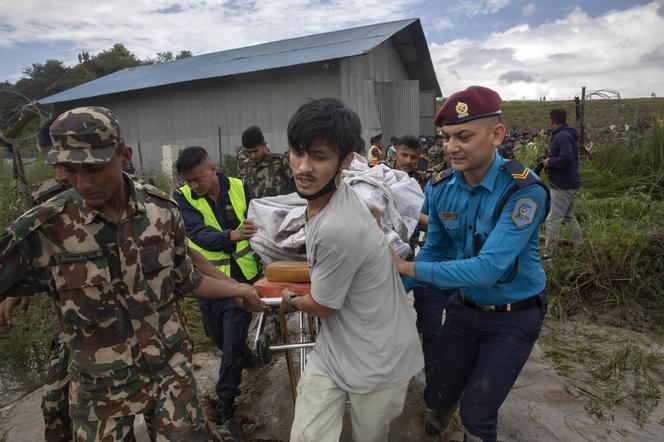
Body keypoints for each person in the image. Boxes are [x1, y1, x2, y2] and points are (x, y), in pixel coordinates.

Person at [0, 106, 263, 442]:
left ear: (123, 156)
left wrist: (239, 291)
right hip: (101, 389)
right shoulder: (45, 227)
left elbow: (185, 278)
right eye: (69, 170)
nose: (83, 183)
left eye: (94, 169)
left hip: (169, 372)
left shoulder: (161, 212)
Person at [391, 86, 550, 442]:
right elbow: (435, 248)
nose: (451, 147)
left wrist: (408, 269)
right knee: (437, 398)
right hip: (464, 309)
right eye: (446, 138)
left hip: (514, 316)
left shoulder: (524, 191)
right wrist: (390, 290)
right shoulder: (441, 186)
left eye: (463, 136)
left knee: (478, 413)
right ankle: (438, 423)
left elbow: (488, 268)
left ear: (496, 135)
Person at [281, 98, 423, 442]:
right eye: (297, 153)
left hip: (379, 359)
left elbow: (323, 305)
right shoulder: (330, 200)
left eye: (318, 157)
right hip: (336, 346)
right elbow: (370, 219)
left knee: (369, 437)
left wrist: (291, 300)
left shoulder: (335, 226)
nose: (302, 167)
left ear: (345, 161)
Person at [172, 146, 261, 426]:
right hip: (209, 281)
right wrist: (232, 234)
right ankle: (251, 360)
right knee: (216, 336)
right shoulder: (182, 198)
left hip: (242, 277)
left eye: (197, 179)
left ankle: (226, 404)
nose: (193, 185)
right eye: (188, 180)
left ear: (212, 168)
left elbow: (260, 222)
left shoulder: (240, 187)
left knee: (232, 340)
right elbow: (198, 235)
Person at [542, 109, 583, 258]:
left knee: (552, 220)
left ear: (552, 121)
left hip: (562, 185)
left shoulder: (562, 136)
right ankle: (579, 246)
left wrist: (549, 162)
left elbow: (566, 158)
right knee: (568, 217)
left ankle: (549, 255)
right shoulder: (567, 134)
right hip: (569, 182)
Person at [236, 125, 295, 197]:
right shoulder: (244, 167)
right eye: (249, 152)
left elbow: (296, 182)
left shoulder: (279, 162)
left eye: (256, 151)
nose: (253, 155)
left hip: (280, 206)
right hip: (254, 207)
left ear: (264, 145)